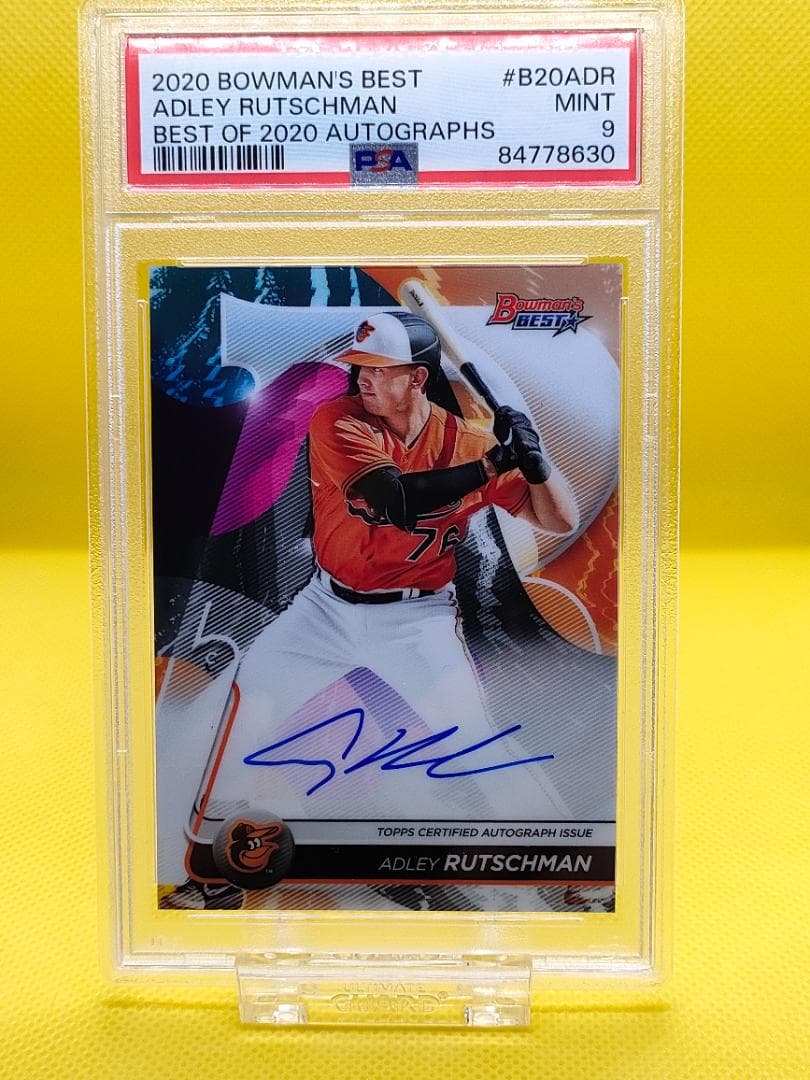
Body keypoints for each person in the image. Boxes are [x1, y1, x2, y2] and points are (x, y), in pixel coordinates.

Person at [162, 311, 579, 909]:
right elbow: (391, 500)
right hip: (323, 610)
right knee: (246, 711)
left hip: (417, 621)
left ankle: (569, 873)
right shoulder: (339, 420)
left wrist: (537, 463)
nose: (362, 379)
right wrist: (493, 465)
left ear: (417, 377)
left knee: (472, 737)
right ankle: (219, 871)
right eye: (360, 368)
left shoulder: (468, 442)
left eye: (379, 370)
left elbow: (557, 518)